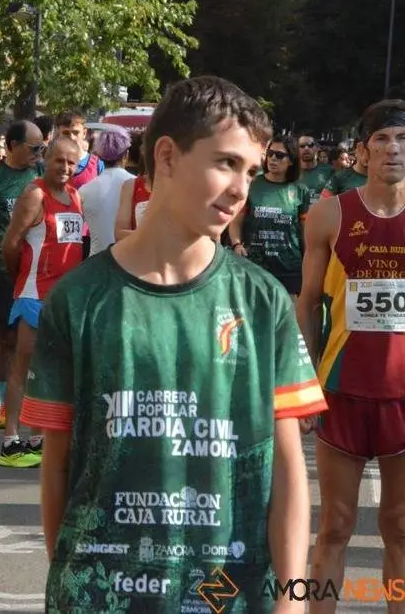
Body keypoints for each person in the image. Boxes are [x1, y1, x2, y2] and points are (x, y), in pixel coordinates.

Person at [22, 76, 325, 612]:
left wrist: (294, 598)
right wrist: (73, 587)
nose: (240, 189)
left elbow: (287, 472)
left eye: (250, 172)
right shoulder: (79, 299)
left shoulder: (263, 301)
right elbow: (58, 467)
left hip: (229, 596)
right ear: (165, 155)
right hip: (102, 596)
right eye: (226, 163)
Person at [297, 99, 405, 613]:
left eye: (403, 139)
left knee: (400, 528)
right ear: (362, 152)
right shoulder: (329, 213)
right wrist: (301, 380)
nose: (394, 148)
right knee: (334, 526)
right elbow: (308, 301)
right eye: (382, 139)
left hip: (402, 396)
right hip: (340, 389)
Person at [0, 137, 86, 468]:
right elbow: (10, 244)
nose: (65, 168)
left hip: (64, 301)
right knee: (24, 368)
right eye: (58, 161)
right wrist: (21, 279)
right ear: (45, 160)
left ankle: (37, 439)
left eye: (71, 163)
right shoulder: (35, 195)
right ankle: (10, 442)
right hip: (34, 295)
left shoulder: (74, 195)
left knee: (51, 371)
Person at [0, 120, 45, 429]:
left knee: (29, 339)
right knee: (6, 336)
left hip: (34, 272)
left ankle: (29, 402)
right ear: (13, 145)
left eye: (42, 148)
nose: (38, 154)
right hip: (4, 270)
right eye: (34, 148)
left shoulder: (40, 176)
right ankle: (6, 403)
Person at [227, 135, 311, 296]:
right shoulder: (252, 185)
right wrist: (237, 245)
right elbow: (236, 221)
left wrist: (308, 262)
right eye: (271, 153)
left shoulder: (300, 191)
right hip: (254, 265)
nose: (273, 159)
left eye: (280, 156)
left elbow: (304, 231)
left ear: (291, 161)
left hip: (290, 268)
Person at [78, 125, 134, 256]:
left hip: (95, 260)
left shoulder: (84, 190)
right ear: (126, 154)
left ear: (100, 155)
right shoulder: (137, 185)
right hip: (128, 261)